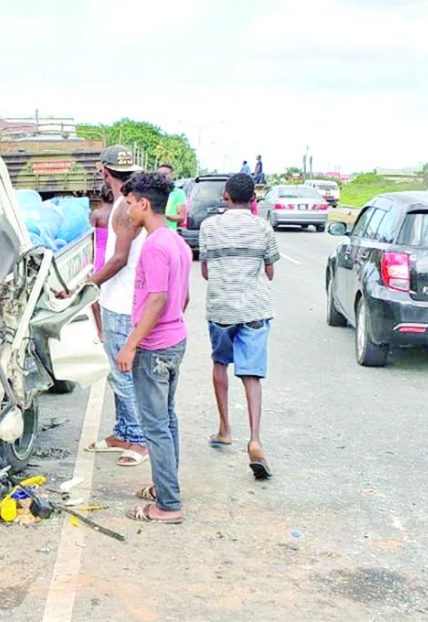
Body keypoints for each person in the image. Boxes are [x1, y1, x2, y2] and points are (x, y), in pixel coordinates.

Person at [114, 173, 191, 524]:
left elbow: (157, 299)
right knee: (167, 419)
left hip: (155, 347)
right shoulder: (176, 242)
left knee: (155, 426)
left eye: (129, 204)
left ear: (144, 204)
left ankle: (168, 505)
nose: (127, 210)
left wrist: (131, 345)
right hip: (174, 340)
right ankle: (166, 487)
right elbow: (182, 297)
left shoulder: (155, 246)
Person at [199, 173, 279, 480]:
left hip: (221, 307)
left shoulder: (209, 227)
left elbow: (205, 270)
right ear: (253, 200)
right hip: (255, 308)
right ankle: (255, 439)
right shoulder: (263, 227)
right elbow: (269, 272)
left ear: (226, 196)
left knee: (220, 365)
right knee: (251, 375)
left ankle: (224, 429)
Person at [79, 145, 148, 467]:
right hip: (118, 299)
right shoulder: (125, 204)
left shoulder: (123, 208)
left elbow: (120, 259)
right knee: (117, 373)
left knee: (123, 375)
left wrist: (88, 284)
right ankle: (124, 431)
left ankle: (138, 440)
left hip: (121, 303)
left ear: (104, 172)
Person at [90, 198, 112, 337]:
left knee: (94, 291)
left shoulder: (97, 214)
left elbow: (90, 236)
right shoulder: (119, 213)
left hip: (100, 253)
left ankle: (100, 330)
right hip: (113, 253)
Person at [156, 163, 187, 230]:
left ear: (172, 175)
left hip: (169, 234)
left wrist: (165, 216)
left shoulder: (178, 193)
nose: (162, 177)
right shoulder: (152, 191)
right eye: (159, 174)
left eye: (165, 174)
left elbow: (182, 217)